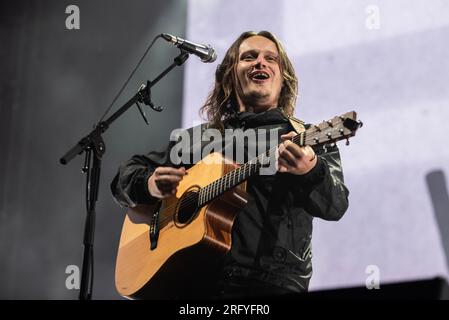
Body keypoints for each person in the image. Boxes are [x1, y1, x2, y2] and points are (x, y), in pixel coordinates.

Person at [111, 31, 349, 299]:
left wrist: (310, 170)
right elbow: (125, 176)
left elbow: (336, 205)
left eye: (271, 58)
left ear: (283, 80)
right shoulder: (198, 139)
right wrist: (149, 184)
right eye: (249, 57)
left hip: (270, 286)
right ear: (229, 76)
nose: (261, 62)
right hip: (193, 285)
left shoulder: (304, 138)